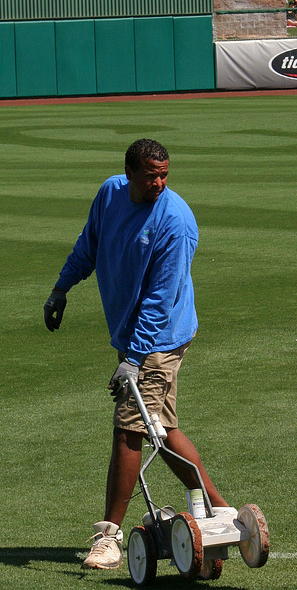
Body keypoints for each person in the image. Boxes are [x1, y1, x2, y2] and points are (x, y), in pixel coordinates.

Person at [43, 138, 229, 570]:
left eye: (164, 174)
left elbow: (161, 301)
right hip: (138, 337)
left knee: (129, 427)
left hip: (161, 337)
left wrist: (133, 358)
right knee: (160, 430)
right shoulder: (111, 193)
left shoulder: (175, 222)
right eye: (150, 176)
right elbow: (88, 245)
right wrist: (61, 288)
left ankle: (108, 537)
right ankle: (220, 507)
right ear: (130, 173)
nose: (159, 183)